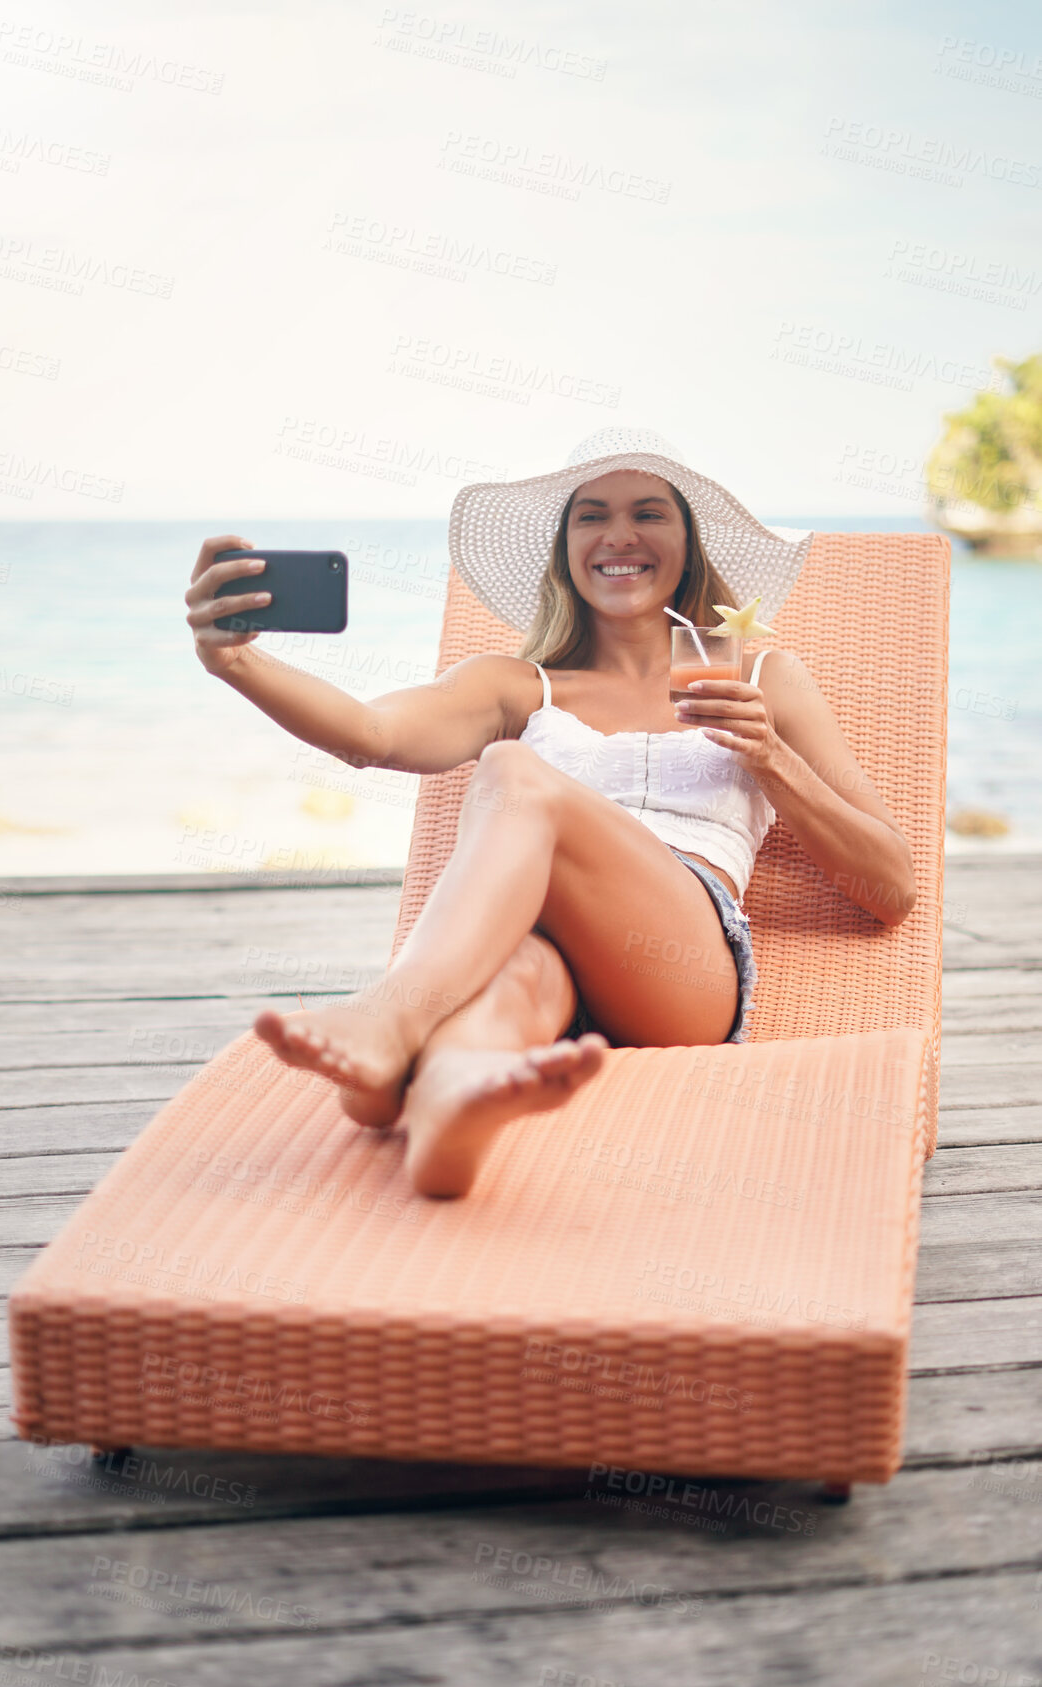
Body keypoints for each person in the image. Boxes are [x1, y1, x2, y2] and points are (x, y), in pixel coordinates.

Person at [184, 428, 916, 1199]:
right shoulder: (513, 685)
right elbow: (370, 736)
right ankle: (444, 1110)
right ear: (565, 546)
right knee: (516, 978)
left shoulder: (762, 676)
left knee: (510, 770)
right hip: (547, 956)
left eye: (649, 514)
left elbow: (890, 886)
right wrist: (236, 661)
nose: (618, 535)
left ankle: (388, 1019)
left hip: (680, 970)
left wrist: (770, 758)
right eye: (591, 515)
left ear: (689, 544)